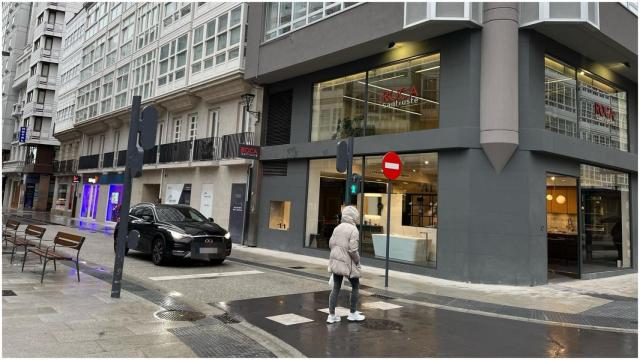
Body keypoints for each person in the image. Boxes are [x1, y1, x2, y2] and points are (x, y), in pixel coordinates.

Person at [327, 205, 365, 323]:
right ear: (354, 217)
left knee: (336, 288)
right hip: (348, 263)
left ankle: (332, 316)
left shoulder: (337, 228)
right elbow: (353, 250)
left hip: (336, 261)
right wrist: (357, 261)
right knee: (355, 286)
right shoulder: (354, 230)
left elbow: (331, 244)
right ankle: (352, 313)